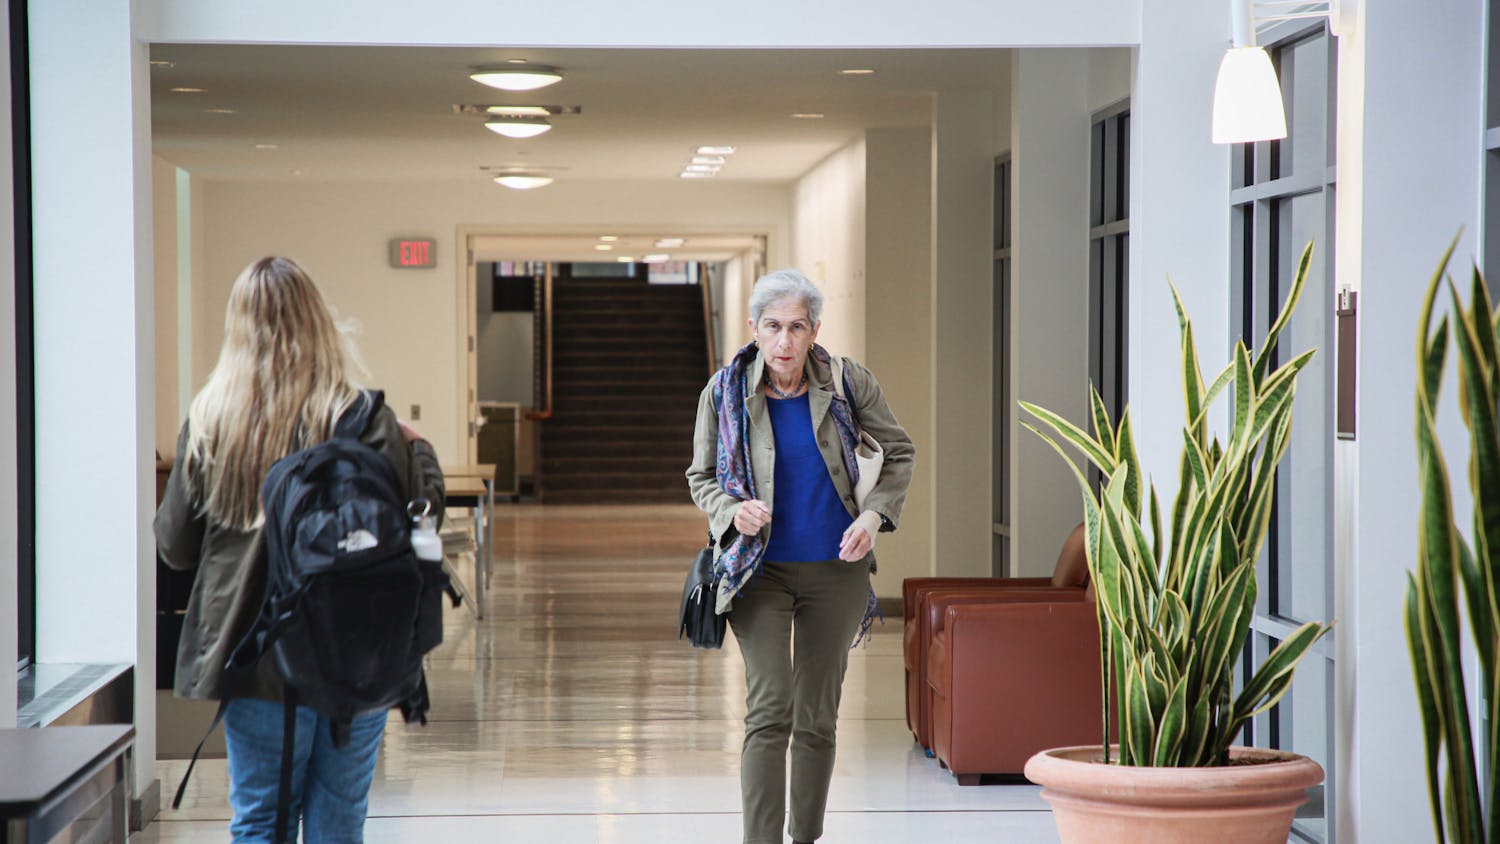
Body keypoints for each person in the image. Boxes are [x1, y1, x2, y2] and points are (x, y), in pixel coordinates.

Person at [155, 256, 444, 842]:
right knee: (340, 817)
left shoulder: (212, 421)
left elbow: (176, 549)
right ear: (319, 321)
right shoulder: (367, 418)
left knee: (261, 818)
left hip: (255, 655)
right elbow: (420, 524)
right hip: (356, 650)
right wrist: (424, 459)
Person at [686, 268, 915, 844]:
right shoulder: (725, 392)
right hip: (755, 573)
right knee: (769, 709)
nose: (785, 341)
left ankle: (805, 836)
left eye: (796, 327)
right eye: (773, 327)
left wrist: (872, 516)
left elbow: (899, 452)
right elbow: (702, 476)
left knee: (816, 715)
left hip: (836, 573)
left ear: (814, 330)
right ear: (753, 330)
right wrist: (730, 512)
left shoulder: (847, 383)